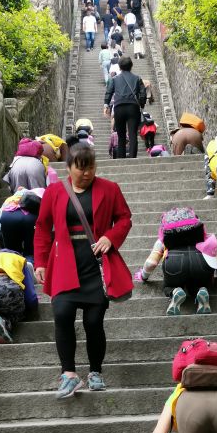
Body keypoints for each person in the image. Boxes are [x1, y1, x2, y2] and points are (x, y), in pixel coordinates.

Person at [33, 140, 133, 399]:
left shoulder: (109, 189)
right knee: (62, 314)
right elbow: (43, 228)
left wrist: (110, 237)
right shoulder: (55, 191)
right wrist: (41, 262)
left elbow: (124, 218)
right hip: (65, 262)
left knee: (93, 321)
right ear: (69, 168)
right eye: (81, 168)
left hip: (96, 264)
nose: (87, 173)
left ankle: (96, 372)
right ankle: (68, 374)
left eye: (91, 167)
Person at [134, 207, 217, 315]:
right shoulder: (205, 238)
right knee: (200, 283)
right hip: (200, 261)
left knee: (168, 286)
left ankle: (175, 291)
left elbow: (151, 263)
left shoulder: (163, 240)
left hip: (174, 263)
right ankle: (201, 291)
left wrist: (143, 276)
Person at [104, 56, 146, 159]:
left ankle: (121, 159)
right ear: (131, 66)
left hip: (119, 108)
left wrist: (106, 105)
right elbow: (143, 93)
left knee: (121, 135)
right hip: (133, 107)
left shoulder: (114, 79)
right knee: (132, 135)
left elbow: (109, 92)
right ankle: (132, 158)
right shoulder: (137, 78)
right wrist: (141, 104)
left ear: (119, 66)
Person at [0, 187, 44, 262]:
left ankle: (14, 269)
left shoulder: (11, 198)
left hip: (7, 217)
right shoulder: (41, 192)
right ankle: (29, 267)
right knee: (30, 251)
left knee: (12, 252)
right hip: (30, 219)